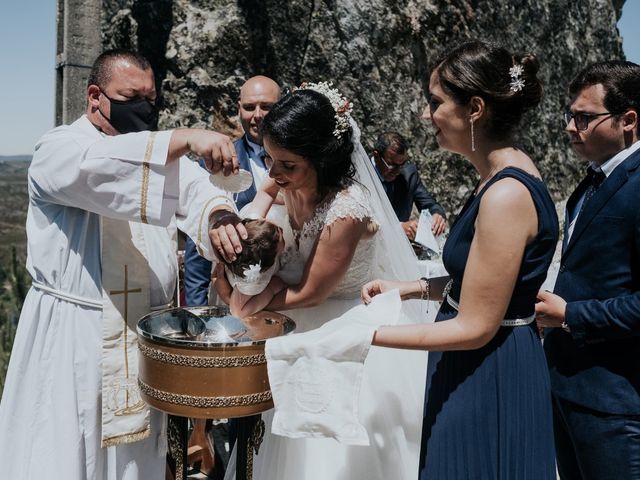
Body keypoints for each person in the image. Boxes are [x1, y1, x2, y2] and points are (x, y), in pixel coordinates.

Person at [0, 49, 241, 480]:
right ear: (96, 96)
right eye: (132, 96)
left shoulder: (153, 154)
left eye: (151, 99)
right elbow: (100, 169)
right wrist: (184, 136)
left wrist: (218, 215)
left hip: (144, 334)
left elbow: (193, 187)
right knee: (71, 450)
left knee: (136, 460)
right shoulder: (60, 148)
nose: (145, 109)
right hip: (77, 336)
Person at [361, 41, 558, 479]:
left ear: (474, 108)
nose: (426, 115)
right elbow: (484, 282)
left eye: (435, 102)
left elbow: (475, 326)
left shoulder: (506, 193)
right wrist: (409, 288)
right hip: (480, 362)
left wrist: (367, 335)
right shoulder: (498, 177)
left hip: (488, 372)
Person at [215, 82, 429, 480]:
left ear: (321, 159)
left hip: (343, 328)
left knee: (326, 457)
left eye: (287, 165)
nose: (274, 173)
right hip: (293, 329)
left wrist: (254, 299)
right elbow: (254, 208)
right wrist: (241, 236)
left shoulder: (347, 209)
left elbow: (313, 292)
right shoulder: (282, 178)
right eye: (268, 159)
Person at [535, 61, 640, 480]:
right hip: (567, 389)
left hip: (617, 402)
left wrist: (572, 315)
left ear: (628, 119)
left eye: (584, 117)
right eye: (570, 115)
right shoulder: (592, 182)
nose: (570, 127)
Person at [183, 76, 280, 306]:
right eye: (249, 107)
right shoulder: (217, 162)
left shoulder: (301, 163)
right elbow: (198, 242)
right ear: (239, 108)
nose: (257, 115)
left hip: (288, 295)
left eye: (266, 107)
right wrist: (197, 309)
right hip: (232, 299)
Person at [372, 131, 447, 239]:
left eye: (402, 164)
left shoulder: (408, 174)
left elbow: (429, 203)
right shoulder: (361, 175)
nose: (398, 171)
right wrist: (398, 229)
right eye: (392, 165)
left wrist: (436, 214)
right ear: (376, 156)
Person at [219, 217, 286, 318]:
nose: (282, 230)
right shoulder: (252, 284)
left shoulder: (248, 234)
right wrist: (272, 289)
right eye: (281, 238)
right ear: (270, 261)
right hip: (245, 284)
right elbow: (238, 311)